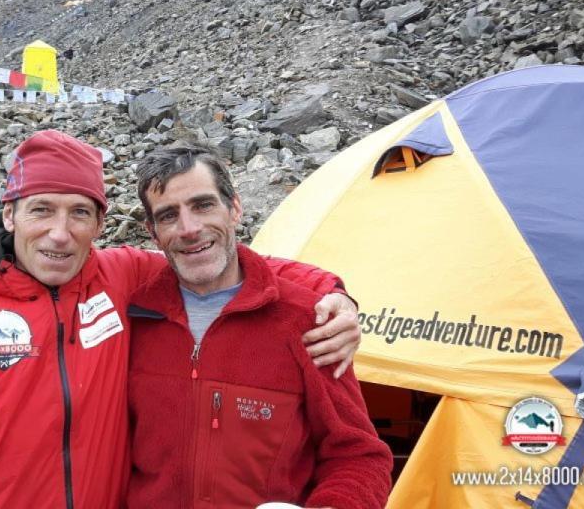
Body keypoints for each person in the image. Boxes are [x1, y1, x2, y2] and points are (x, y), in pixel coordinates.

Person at [0, 130, 360, 508]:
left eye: (79, 213)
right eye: (42, 209)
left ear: (100, 223)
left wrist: (332, 292)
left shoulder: (120, 277)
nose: (60, 234)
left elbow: (222, 262)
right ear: (9, 213)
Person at [127, 143, 392, 509]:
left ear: (234, 208)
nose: (189, 229)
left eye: (203, 205)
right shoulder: (131, 320)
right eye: (169, 215)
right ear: (152, 232)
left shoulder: (307, 323)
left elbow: (358, 454)